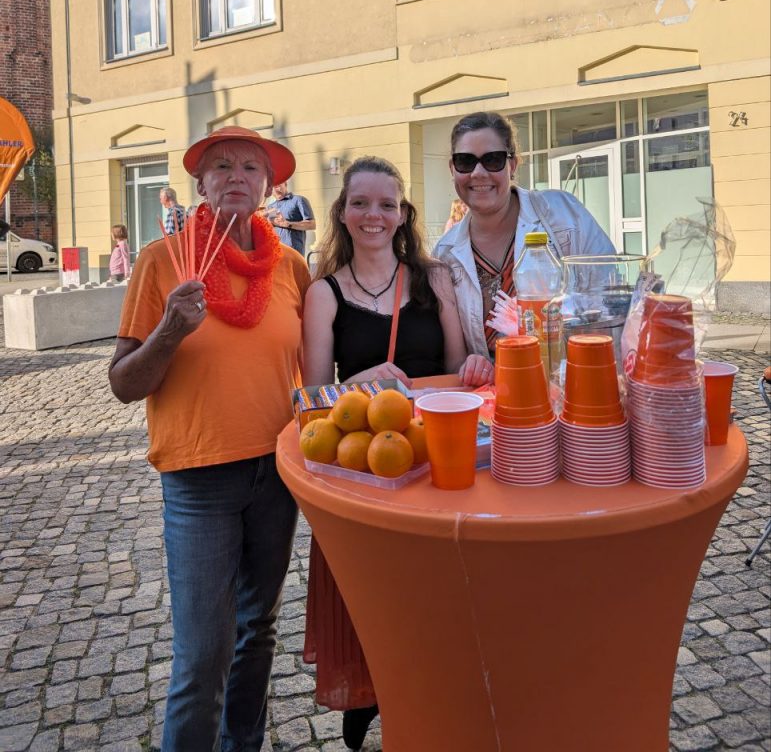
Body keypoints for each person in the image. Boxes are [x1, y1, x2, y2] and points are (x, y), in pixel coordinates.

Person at [108, 126, 310, 752]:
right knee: (202, 652)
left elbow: (315, 366)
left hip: (276, 475)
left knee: (259, 631)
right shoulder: (161, 259)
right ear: (200, 184)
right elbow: (122, 383)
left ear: (268, 187)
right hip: (199, 479)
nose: (235, 176)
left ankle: (241, 744)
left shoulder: (291, 267)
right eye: (220, 165)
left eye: (251, 167)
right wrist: (169, 330)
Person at [301, 156, 490, 750]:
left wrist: (478, 368)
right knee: (379, 604)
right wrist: (357, 382)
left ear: (402, 214)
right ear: (343, 213)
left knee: (443, 600)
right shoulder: (323, 293)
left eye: (387, 204)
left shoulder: (435, 280)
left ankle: (447, 710)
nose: (374, 215)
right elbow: (309, 402)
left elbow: (460, 371)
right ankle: (373, 697)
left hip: (438, 462)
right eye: (361, 203)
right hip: (369, 469)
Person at [434, 111, 615, 358]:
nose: (478, 173)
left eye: (493, 159)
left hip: (568, 380)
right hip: (491, 393)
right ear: (452, 169)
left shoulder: (562, 214)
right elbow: (455, 354)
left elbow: (609, 297)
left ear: (513, 165)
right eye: (465, 161)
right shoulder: (444, 255)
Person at [266, 180, 316, 256]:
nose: (276, 189)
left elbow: (311, 224)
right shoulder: (270, 207)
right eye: (273, 187)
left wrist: (288, 224)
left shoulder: (299, 200)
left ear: (285, 184)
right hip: (276, 252)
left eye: (278, 185)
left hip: (294, 252)